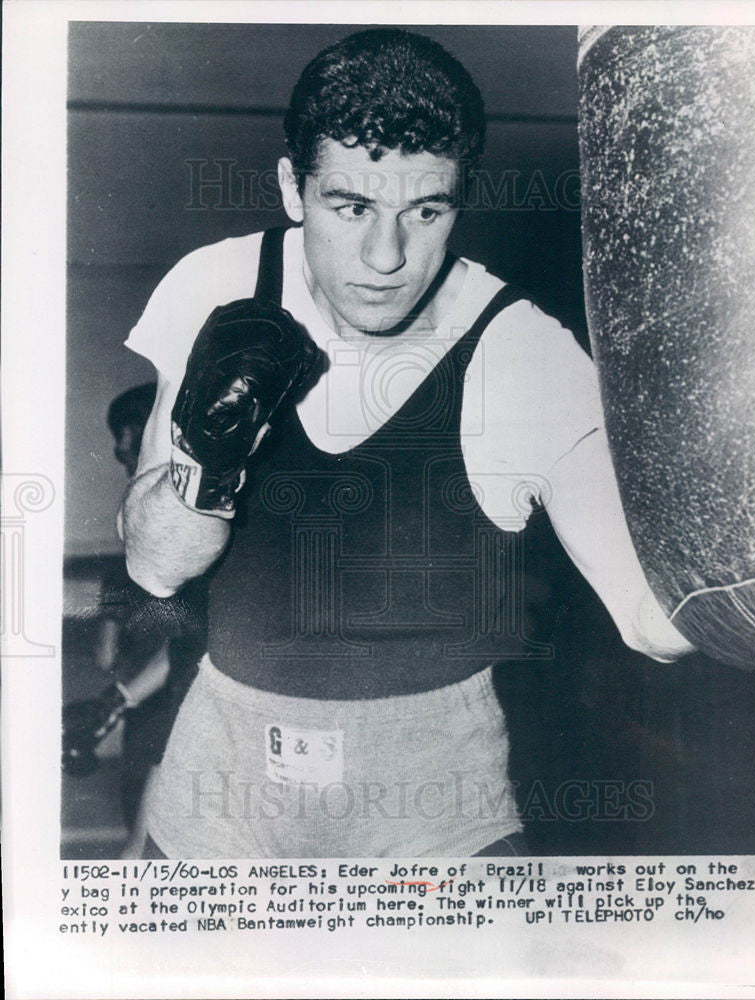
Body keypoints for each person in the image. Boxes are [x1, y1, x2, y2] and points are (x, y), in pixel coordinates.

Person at [119, 28, 693, 859]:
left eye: (426, 211)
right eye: (351, 207)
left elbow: (656, 620)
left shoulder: (522, 352)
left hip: (433, 812)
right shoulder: (218, 284)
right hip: (223, 790)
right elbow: (154, 566)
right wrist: (209, 459)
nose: (386, 257)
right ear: (292, 186)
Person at [63, 382, 205, 857]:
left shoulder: (185, 533)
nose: (122, 457)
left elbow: (114, 654)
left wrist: (115, 697)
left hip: (181, 712)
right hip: (157, 707)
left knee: (143, 853)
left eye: (129, 447)